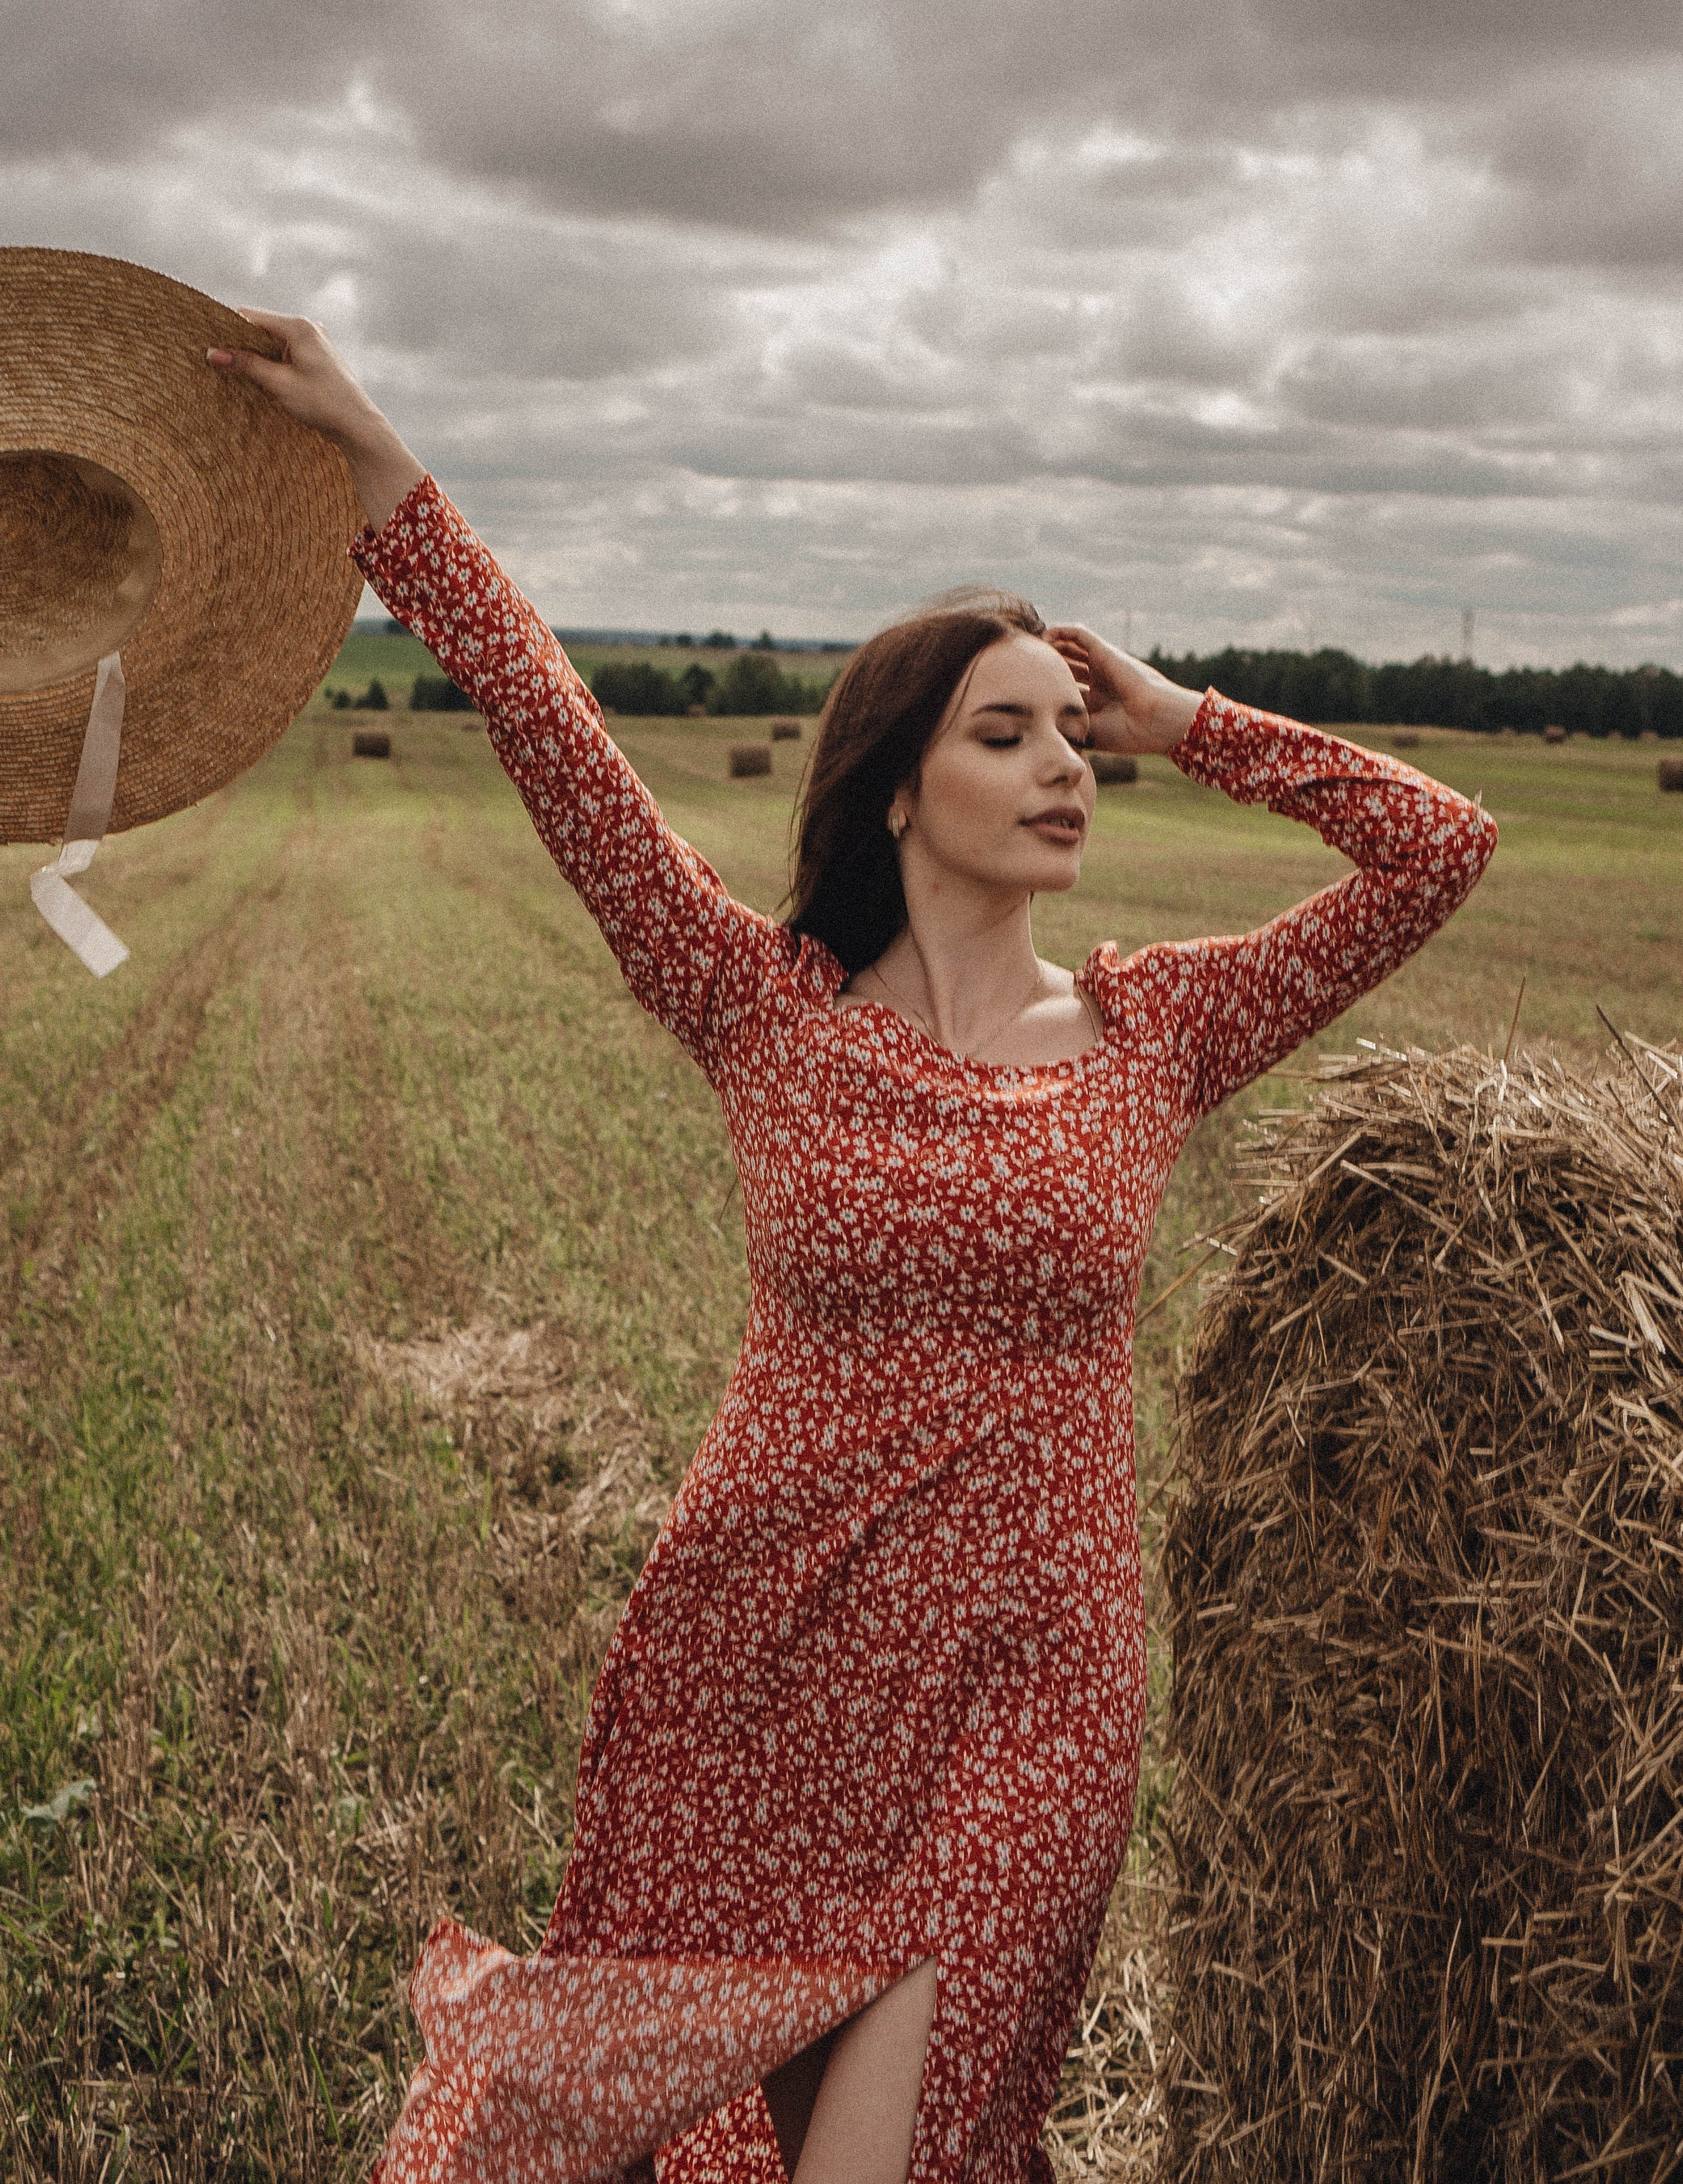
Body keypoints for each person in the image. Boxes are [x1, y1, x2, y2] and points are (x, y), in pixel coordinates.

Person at [208, 315, 1496, 2184]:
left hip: (1036, 1684)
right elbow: (555, 739)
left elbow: (1436, 851)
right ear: (896, 787)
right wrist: (383, 468)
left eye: (1076, 735)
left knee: (902, 2150)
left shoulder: (1162, 1031)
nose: (1065, 765)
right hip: (775, 1653)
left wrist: (1189, 722)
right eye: (1008, 732)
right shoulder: (763, 1010)